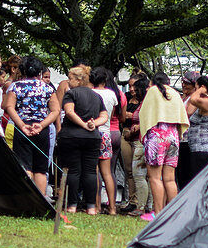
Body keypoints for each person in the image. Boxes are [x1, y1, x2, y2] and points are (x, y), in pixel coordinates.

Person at [3, 53, 59, 197]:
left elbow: (8, 107)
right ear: (39, 71)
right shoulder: (47, 88)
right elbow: (56, 110)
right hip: (42, 130)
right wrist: (41, 125)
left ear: (23, 71)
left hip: (22, 129)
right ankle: (41, 202)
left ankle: (26, 200)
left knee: (25, 166)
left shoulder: (16, 86)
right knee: (40, 168)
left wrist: (21, 125)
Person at [56, 66, 107, 213]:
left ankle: (72, 205)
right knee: (90, 171)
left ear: (78, 80)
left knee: (73, 171)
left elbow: (69, 112)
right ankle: (91, 206)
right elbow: (104, 116)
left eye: (70, 78)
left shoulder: (71, 94)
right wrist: (93, 124)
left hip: (71, 135)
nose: (68, 81)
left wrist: (83, 124)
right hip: (92, 138)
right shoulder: (97, 96)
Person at [139, 72, 189, 216]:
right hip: (173, 136)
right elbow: (182, 117)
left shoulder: (153, 91)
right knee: (170, 178)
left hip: (157, 135)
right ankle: (172, 214)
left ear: (153, 82)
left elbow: (145, 114)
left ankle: (158, 213)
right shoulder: (174, 93)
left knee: (155, 177)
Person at [90, 66, 119, 215]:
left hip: (92, 133)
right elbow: (111, 114)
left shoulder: (90, 93)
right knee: (107, 172)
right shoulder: (112, 94)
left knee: (94, 172)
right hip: (106, 133)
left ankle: (97, 206)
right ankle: (113, 208)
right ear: (105, 79)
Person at [122, 73, 152, 216]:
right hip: (144, 140)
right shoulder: (144, 101)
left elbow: (145, 118)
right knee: (148, 175)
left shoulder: (147, 102)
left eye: (136, 87)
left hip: (143, 141)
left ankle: (141, 206)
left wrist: (137, 126)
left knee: (139, 174)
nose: (133, 90)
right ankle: (149, 206)